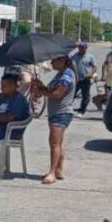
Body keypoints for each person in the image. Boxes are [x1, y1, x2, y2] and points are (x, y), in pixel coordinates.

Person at [31, 55, 76, 185]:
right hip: (56, 112)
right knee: (58, 143)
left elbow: (57, 94)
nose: (52, 62)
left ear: (63, 61)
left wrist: (43, 92)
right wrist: (41, 86)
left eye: (55, 60)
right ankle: (58, 170)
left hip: (61, 112)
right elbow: (51, 90)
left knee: (54, 143)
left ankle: (52, 173)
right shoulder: (61, 74)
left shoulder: (67, 74)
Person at [73, 41, 96, 116]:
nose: (81, 49)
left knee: (85, 96)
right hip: (76, 79)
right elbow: (70, 65)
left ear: (86, 48)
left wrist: (91, 74)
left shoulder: (90, 56)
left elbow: (94, 67)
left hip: (86, 79)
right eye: (79, 47)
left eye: (83, 47)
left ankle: (82, 110)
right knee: (71, 94)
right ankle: (68, 108)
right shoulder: (74, 56)